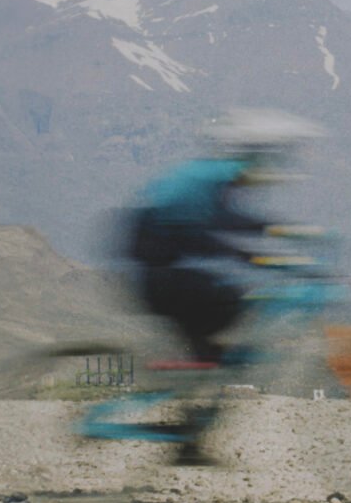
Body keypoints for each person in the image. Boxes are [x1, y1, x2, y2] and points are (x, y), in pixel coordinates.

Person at [123, 107, 322, 463]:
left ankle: (189, 439)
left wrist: (283, 234)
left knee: (214, 355)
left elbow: (231, 223)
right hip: (160, 278)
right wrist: (267, 258)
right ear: (253, 152)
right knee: (230, 306)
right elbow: (209, 232)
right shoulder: (212, 176)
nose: (272, 168)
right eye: (270, 157)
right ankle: (183, 423)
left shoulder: (214, 176)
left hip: (159, 275)